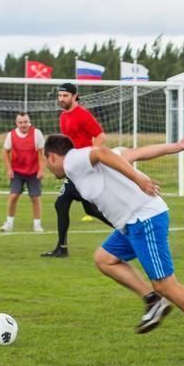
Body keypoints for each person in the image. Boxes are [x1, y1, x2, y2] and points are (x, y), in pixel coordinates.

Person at [41, 129, 184, 359]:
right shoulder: (86, 165)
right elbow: (139, 153)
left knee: (166, 284)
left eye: (45, 161)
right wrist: (177, 145)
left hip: (144, 219)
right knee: (104, 259)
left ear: (52, 156)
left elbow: (101, 152)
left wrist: (139, 179)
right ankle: (153, 300)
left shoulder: (73, 160)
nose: (46, 166)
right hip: (131, 224)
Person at [41, 82, 112, 258]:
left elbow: (101, 136)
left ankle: (129, 231)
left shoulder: (83, 114)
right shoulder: (63, 116)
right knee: (84, 209)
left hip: (84, 169)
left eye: (65, 96)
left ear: (74, 96)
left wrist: (91, 156)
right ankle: (62, 247)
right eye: (59, 96)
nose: (61, 99)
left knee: (64, 204)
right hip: (74, 168)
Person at [1, 112, 45, 233]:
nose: (23, 124)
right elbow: (5, 152)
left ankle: (37, 224)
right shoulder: (11, 135)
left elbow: (42, 153)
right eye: (20, 122)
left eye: (25, 122)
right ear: (16, 123)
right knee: (13, 196)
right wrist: (9, 169)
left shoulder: (37, 134)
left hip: (33, 172)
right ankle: (9, 223)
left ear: (29, 122)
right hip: (17, 172)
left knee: (35, 197)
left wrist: (41, 169)